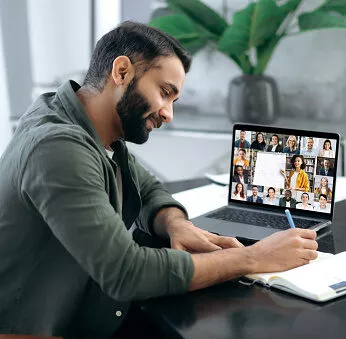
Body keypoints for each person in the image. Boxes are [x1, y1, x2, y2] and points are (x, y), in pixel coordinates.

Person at [0, 21, 318, 338]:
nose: (168, 114)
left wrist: (177, 225)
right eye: (165, 93)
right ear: (121, 72)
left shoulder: (85, 123)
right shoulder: (59, 148)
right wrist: (253, 257)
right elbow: (127, 272)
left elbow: (149, 188)